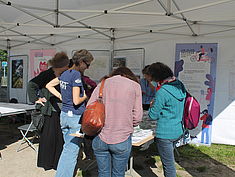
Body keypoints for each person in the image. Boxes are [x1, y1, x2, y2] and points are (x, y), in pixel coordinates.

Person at [46, 49, 94, 177]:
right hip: (75, 118)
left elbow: (49, 85)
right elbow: (76, 100)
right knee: (71, 152)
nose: (88, 67)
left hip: (65, 116)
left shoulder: (65, 73)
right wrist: (85, 96)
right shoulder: (76, 75)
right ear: (82, 62)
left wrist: (61, 97)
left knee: (67, 149)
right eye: (87, 64)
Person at [87, 67, 143, 177]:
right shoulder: (135, 86)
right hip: (122, 137)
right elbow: (137, 117)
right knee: (118, 173)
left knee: (103, 173)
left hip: (100, 135)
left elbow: (89, 107)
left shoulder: (102, 84)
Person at [27, 52, 69, 170]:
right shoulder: (48, 73)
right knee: (49, 138)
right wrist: (36, 99)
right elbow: (31, 85)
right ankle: (47, 163)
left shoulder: (64, 73)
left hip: (59, 109)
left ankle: (56, 163)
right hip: (50, 110)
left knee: (59, 138)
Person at [148, 62, 186, 177]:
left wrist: (152, 106)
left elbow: (152, 115)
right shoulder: (179, 84)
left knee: (168, 165)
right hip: (178, 129)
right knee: (170, 161)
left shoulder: (163, 92)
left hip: (165, 133)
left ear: (157, 77)